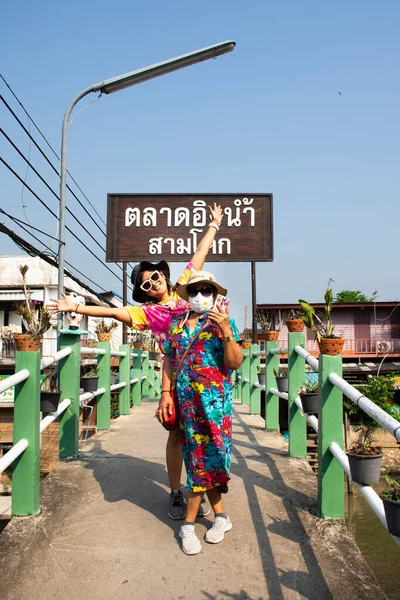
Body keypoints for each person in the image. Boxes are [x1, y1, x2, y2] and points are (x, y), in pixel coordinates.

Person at [48, 204, 223, 521]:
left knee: (209, 435)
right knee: (177, 436)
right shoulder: (147, 314)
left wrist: (213, 225)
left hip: (208, 376)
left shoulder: (187, 287)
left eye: (155, 276)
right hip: (177, 379)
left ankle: (207, 488)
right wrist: (77, 306)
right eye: (145, 284)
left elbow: (200, 254)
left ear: (163, 275)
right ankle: (175, 493)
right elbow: (114, 313)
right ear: (143, 293)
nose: (153, 283)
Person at [159, 270, 243, 555]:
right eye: (194, 291)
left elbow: (234, 363)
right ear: (187, 296)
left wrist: (227, 333)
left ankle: (211, 519)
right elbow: (169, 361)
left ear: (215, 294)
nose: (199, 296)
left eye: (206, 290)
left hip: (216, 406)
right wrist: (165, 395)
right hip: (186, 404)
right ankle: (197, 522)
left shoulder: (223, 322)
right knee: (198, 460)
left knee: (211, 458)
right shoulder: (177, 325)